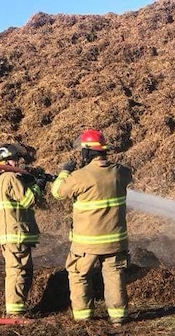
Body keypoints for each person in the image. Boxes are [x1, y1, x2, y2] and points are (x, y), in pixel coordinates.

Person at [51, 129, 132, 326]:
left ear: (87, 152)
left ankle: (83, 317)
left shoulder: (80, 176)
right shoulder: (121, 172)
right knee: (114, 275)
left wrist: (64, 172)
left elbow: (58, 192)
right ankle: (118, 316)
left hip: (87, 243)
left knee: (79, 275)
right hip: (115, 240)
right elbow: (126, 175)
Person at [0, 143, 50, 318]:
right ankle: (14, 313)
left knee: (22, 271)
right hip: (15, 234)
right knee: (17, 271)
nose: (16, 163)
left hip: (15, 234)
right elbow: (27, 200)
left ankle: (17, 309)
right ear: (3, 162)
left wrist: (30, 181)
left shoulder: (7, 179)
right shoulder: (9, 178)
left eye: (17, 159)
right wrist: (39, 185)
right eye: (12, 159)